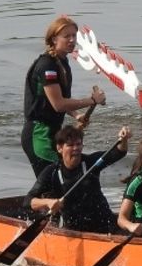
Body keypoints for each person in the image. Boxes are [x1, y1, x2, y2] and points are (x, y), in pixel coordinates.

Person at [22, 16, 107, 176]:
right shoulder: (47, 65)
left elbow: (63, 100)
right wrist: (93, 100)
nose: (71, 40)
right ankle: (35, 201)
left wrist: (76, 115)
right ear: (54, 39)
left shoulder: (63, 63)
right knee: (58, 177)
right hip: (39, 134)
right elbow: (58, 104)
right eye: (66, 36)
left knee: (64, 178)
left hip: (54, 132)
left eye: (74, 36)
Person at [25, 125, 130, 233]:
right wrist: (48, 202)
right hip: (74, 229)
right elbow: (28, 201)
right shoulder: (52, 172)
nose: (76, 148)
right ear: (59, 148)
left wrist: (124, 139)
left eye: (78, 144)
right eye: (70, 145)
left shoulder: (91, 162)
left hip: (104, 223)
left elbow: (118, 152)